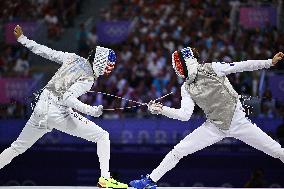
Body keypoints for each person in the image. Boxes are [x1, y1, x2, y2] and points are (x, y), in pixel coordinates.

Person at [130, 46, 284, 189]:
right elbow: (185, 115)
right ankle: (150, 181)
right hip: (214, 127)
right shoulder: (186, 87)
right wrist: (161, 109)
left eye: (178, 64)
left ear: (186, 61)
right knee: (178, 150)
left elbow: (241, 65)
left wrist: (269, 62)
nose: (177, 69)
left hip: (238, 122)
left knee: (276, 150)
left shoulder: (212, 68)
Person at [0, 25, 128, 188]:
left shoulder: (72, 57)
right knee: (102, 136)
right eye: (108, 64)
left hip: (40, 109)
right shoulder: (88, 78)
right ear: (101, 62)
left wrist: (22, 39)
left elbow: (45, 51)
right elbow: (66, 97)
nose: (109, 68)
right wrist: (91, 110)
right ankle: (105, 178)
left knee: (16, 147)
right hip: (56, 112)